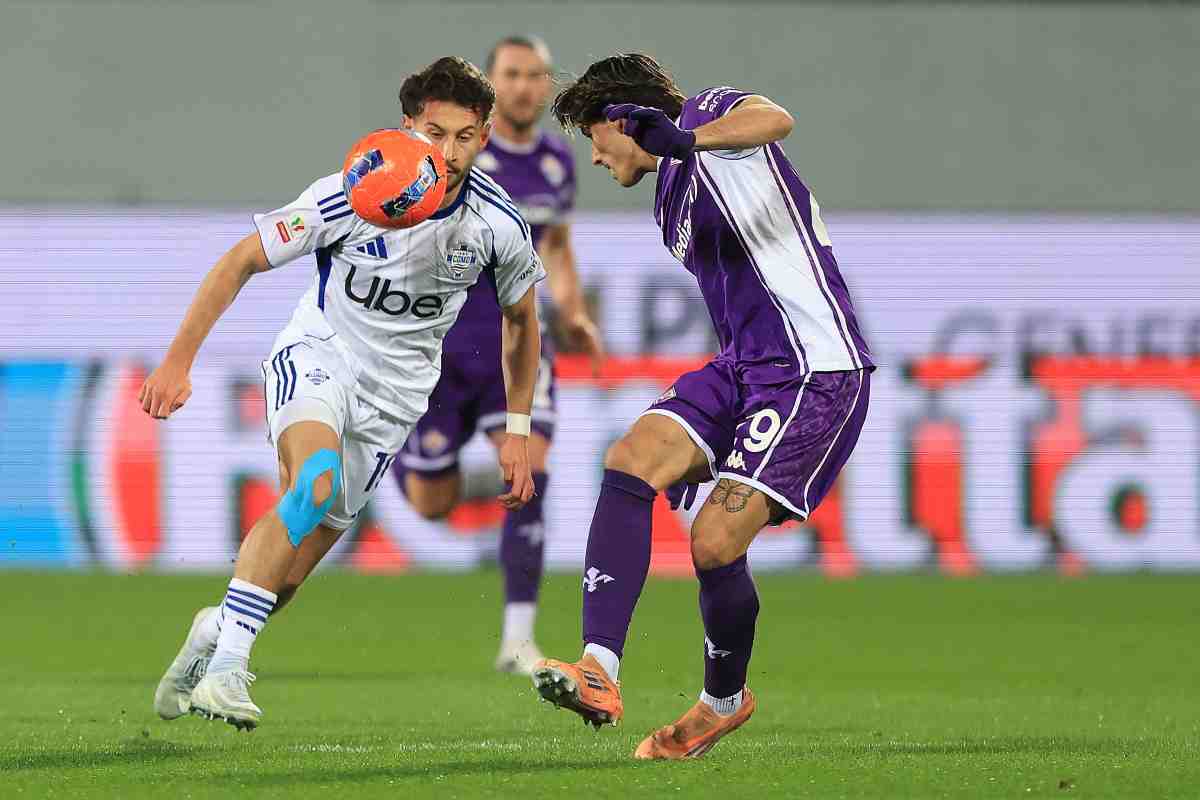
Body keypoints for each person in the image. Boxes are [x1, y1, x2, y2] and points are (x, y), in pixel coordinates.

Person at [144, 56, 545, 730]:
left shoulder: (497, 224)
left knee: (288, 578)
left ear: (485, 137)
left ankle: (216, 628)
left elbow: (521, 322)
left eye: (465, 137)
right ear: (407, 128)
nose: (447, 153)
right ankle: (226, 671)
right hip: (319, 357)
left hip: (394, 403)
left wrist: (519, 426)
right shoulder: (352, 194)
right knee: (315, 484)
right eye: (434, 133)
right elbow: (241, 259)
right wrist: (178, 363)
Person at [530, 54, 874, 759]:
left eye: (596, 136)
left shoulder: (708, 113)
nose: (594, 156)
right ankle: (598, 669)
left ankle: (723, 700)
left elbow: (776, 120)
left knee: (713, 544)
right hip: (745, 368)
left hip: (812, 368)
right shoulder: (667, 198)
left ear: (626, 120)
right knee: (629, 461)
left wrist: (687, 138)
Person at [392, 35, 603, 676]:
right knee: (432, 502)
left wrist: (571, 310)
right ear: (490, 85)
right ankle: (410, 463)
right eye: (512, 75)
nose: (525, 87)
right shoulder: (446, 159)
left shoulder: (557, 163)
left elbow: (556, 244)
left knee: (529, 471)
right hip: (439, 351)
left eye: (536, 75)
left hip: (516, 345)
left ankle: (517, 638)